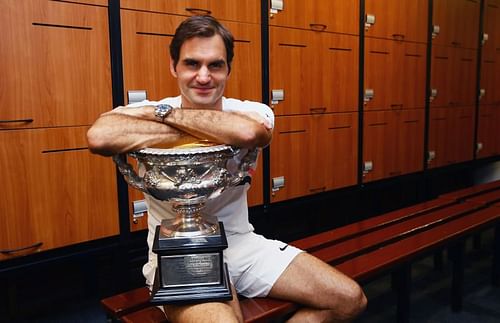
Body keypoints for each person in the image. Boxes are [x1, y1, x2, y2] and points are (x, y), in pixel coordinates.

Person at [87, 15, 366, 323]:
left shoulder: (251, 111)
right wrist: (192, 120)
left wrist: (157, 119)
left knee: (349, 299)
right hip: (176, 251)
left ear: (228, 68)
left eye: (215, 65)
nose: (203, 76)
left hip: (241, 243)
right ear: (174, 67)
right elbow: (99, 136)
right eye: (192, 64)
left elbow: (249, 133)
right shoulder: (157, 108)